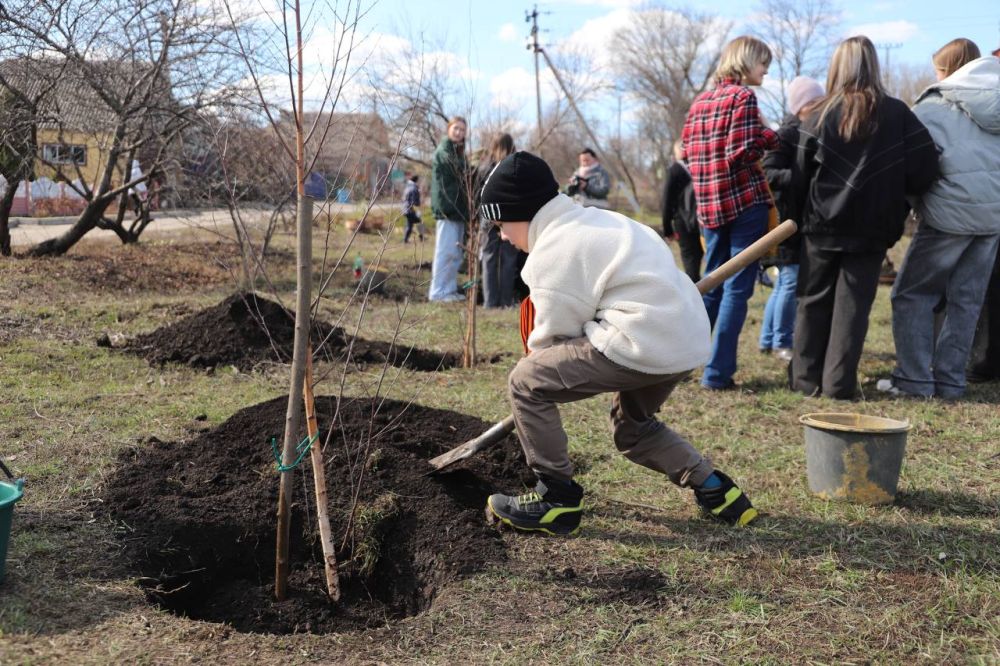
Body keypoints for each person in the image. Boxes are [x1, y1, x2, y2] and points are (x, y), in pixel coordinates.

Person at [479, 151, 759, 536]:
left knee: (525, 382)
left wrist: (540, 392)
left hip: (640, 337)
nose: (502, 236)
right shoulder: (599, 220)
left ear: (521, 211)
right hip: (683, 338)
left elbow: (547, 346)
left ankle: (556, 500)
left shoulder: (552, 252)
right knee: (633, 430)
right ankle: (716, 489)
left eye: (501, 224)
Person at [789, 36, 939, 399]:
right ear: (873, 65)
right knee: (852, 309)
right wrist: (898, 201)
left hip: (821, 226)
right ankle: (838, 386)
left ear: (837, 67)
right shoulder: (897, 114)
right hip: (872, 228)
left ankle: (806, 381)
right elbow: (926, 167)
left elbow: (797, 175)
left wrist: (799, 220)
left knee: (813, 302)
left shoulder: (819, 114)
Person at [877, 40, 1000, 399]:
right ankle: (949, 380)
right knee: (967, 299)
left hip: (949, 211)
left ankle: (914, 379)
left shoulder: (934, 104)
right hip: (992, 215)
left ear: (946, 71)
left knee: (912, 294)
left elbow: (917, 161)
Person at [681, 35, 778, 390]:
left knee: (710, 285)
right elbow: (741, 152)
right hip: (742, 204)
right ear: (746, 61)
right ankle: (717, 374)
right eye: (763, 63)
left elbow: (688, 151)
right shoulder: (743, 97)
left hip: (709, 207)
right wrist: (772, 137)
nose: (766, 70)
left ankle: (681, 364)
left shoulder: (699, 103)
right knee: (737, 289)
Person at [758, 76, 825, 361]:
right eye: (817, 103)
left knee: (786, 280)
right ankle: (781, 342)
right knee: (789, 279)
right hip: (786, 220)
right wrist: (802, 178)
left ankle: (768, 337)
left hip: (798, 217)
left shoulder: (809, 130)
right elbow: (768, 174)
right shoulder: (787, 134)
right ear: (803, 106)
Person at [476, 133, 522, 308]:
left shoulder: (484, 167)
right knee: (509, 259)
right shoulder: (515, 167)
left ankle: (489, 302)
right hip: (510, 217)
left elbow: (478, 196)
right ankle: (506, 301)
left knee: (488, 259)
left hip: (487, 217)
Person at [428, 116, 470, 303]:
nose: (459, 132)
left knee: (455, 254)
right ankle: (438, 292)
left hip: (457, 210)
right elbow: (456, 168)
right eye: (456, 128)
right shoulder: (445, 150)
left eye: (462, 130)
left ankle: (449, 289)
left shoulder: (457, 151)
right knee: (445, 253)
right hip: (447, 209)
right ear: (448, 129)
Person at [661, 139, 702, 282]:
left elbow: (666, 201)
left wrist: (668, 229)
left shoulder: (674, 170)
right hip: (704, 220)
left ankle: (695, 292)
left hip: (682, 222)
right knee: (704, 257)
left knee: (690, 259)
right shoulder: (702, 166)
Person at [401, 174, 423, 243]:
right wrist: (417, 209)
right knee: (418, 223)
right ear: (416, 180)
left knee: (411, 224)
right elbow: (414, 201)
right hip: (410, 209)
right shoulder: (414, 188)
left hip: (405, 209)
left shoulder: (407, 187)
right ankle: (406, 240)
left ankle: (406, 239)